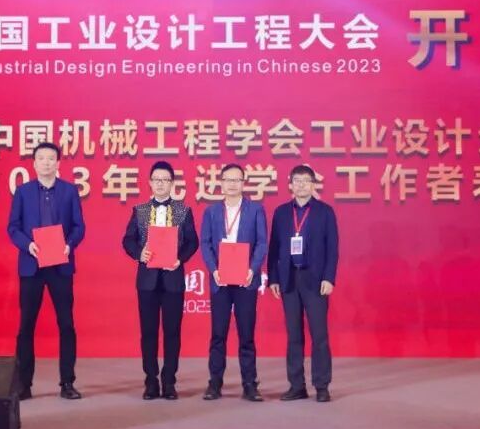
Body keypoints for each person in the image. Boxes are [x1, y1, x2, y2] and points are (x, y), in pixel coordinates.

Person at [6, 142, 85, 400]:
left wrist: (69, 245)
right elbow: (13, 227)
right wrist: (27, 245)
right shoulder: (23, 192)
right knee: (26, 326)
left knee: (67, 325)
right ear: (34, 163)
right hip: (32, 266)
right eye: (41, 158)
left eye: (51, 158)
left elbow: (79, 226)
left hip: (60, 265)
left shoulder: (69, 191)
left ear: (58, 163)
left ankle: (67, 383)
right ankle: (24, 384)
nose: (46, 163)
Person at [122, 161, 199, 400]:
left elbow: (193, 242)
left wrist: (180, 258)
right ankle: (150, 381)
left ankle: (169, 381)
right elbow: (128, 240)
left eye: (165, 180)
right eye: (157, 179)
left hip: (173, 279)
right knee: (148, 332)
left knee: (172, 332)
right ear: (150, 182)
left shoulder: (183, 211)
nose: (161, 184)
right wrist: (139, 253)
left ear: (172, 183)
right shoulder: (140, 210)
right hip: (147, 281)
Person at [267, 165, 339, 403]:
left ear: (313, 184)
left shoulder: (325, 212)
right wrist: (273, 278)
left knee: (319, 335)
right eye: (296, 181)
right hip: (289, 279)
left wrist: (329, 278)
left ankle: (322, 385)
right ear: (290, 185)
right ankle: (296, 385)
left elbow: (332, 248)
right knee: (294, 335)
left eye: (305, 181)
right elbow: (274, 247)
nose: (300, 185)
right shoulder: (281, 213)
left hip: (315, 280)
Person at [199, 163, 268, 402]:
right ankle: (214, 383)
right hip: (220, 280)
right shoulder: (211, 212)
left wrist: (252, 269)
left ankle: (250, 384)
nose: (232, 184)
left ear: (243, 183)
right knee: (218, 334)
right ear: (221, 183)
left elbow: (262, 243)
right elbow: (205, 243)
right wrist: (214, 269)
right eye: (228, 180)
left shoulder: (256, 209)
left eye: (237, 180)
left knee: (246, 334)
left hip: (245, 280)